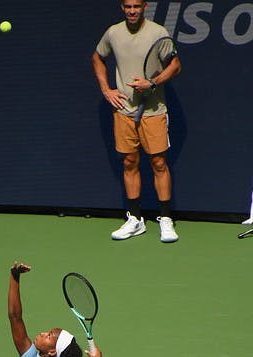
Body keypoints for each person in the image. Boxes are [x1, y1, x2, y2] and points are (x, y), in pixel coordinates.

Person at [92, 1, 181, 243]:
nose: (132, 10)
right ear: (122, 7)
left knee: (159, 163)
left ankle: (165, 219)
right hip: (124, 111)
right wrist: (106, 90)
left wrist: (152, 83)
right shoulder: (113, 33)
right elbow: (98, 58)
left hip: (153, 110)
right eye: (128, 6)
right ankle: (135, 220)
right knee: (129, 162)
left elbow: (175, 65)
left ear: (144, 7)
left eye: (137, 6)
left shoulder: (158, 33)